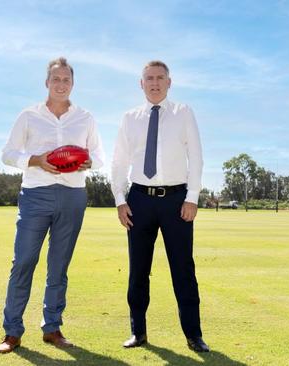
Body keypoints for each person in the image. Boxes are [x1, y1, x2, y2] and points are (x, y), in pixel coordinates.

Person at [0, 57, 104, 353]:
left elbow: (99, 157)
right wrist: (36, 160)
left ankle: (52, 328)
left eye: (66, 80)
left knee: (59, 266)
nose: (61, 84)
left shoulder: (86, 118)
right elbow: (7, 154)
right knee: (24, 261)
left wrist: (84, 162)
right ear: (47, 83)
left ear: (73, 84)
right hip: (36, 193)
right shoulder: (29, 116)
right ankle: (12, 332)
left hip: (72, 196)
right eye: (55, 79)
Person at [111, 60, 209, 352]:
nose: (154, 83)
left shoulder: (184, 113)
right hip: (139, 199)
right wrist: (120, 200)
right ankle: (137, 332)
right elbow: (119, 162)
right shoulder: (130, 118)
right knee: (138, 270)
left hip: (177, 201)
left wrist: (192, 197)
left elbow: (197, 157)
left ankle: (194, 335)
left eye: (160, 78)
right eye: (149, 78)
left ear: (169, 82)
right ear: (141, 83)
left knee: (183, 269)